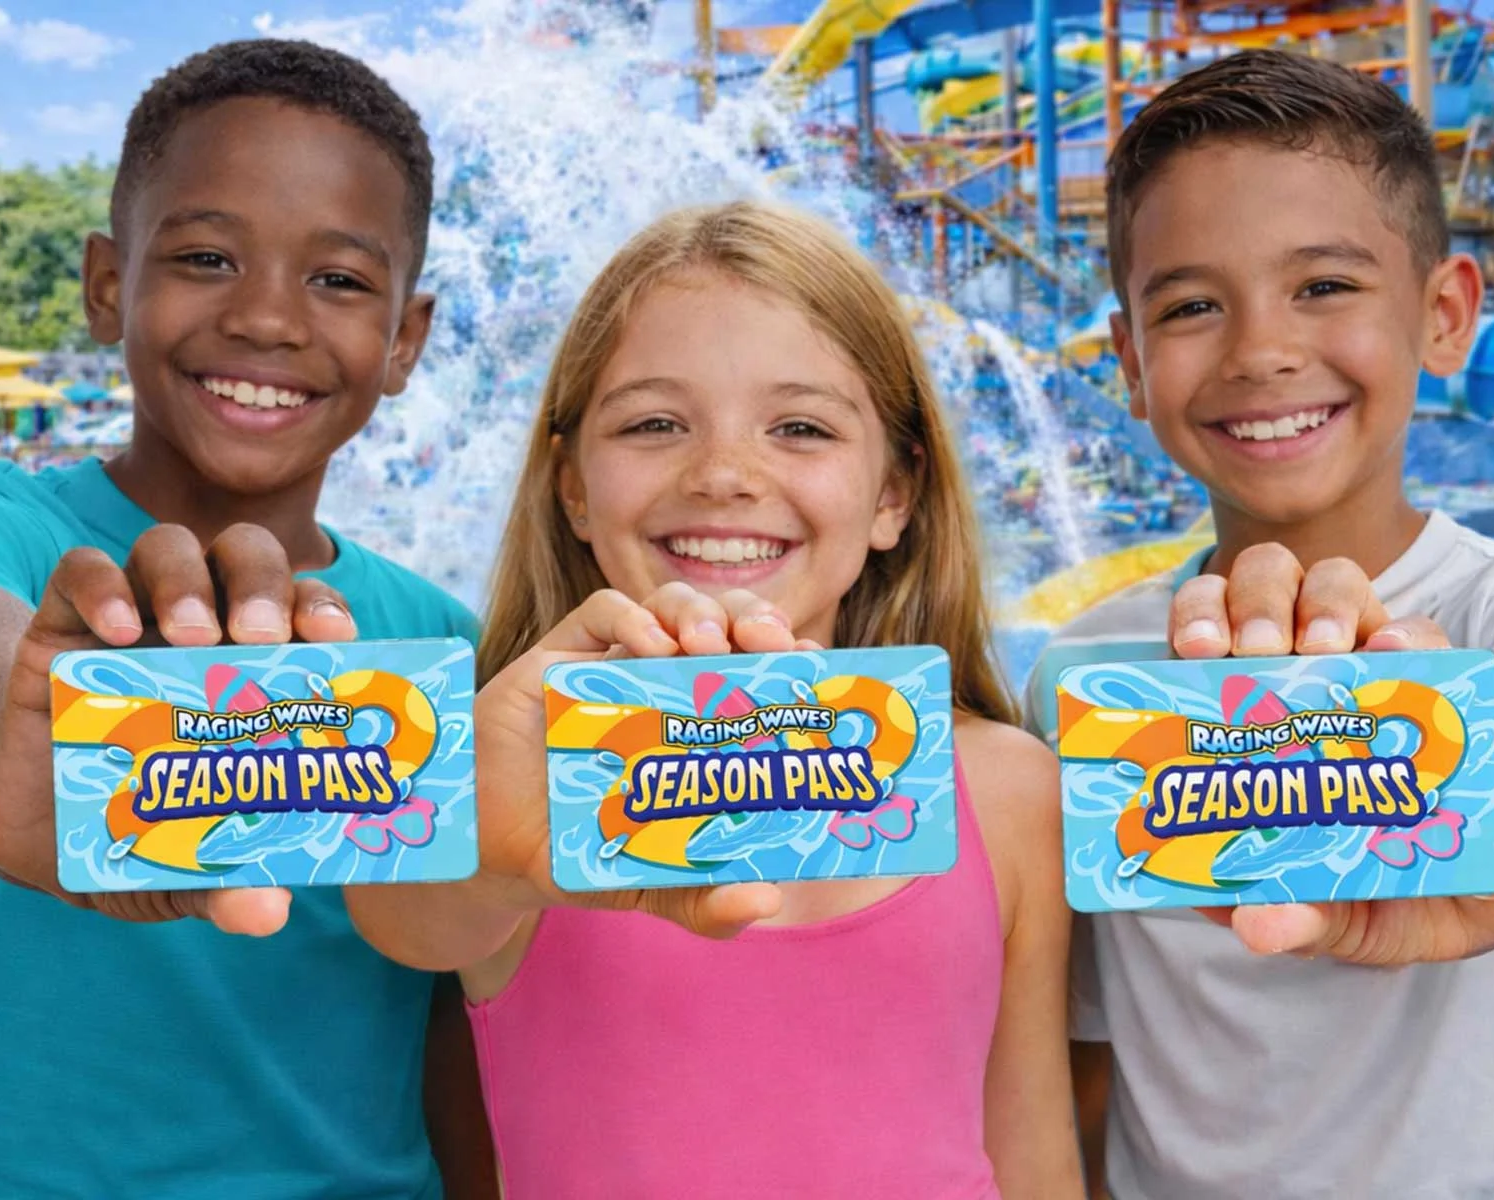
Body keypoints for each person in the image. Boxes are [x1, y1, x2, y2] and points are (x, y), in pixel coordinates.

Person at [0, 39, 492, 1199]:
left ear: (405, 341)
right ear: (107, 282)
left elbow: (443, 1025)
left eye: (337, 280)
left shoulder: (446, 648)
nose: (270, 319)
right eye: (207, 256)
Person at [1026, 50, 1494, 1199]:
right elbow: (1090, 1068)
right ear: (1131, 363)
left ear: (1443, 316)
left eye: (1325, 286)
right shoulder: (1086, 678)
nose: (1260, 350)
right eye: (1191, 306)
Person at [348, 201, 1082, 1197]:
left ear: (893, 496)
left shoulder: (1008, 786)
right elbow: (412, 915)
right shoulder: (522, 770)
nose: (726, 474)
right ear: (572, 487)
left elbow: (1034, 1152)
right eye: (655, 423)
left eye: (801, 427)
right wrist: (492, 825)